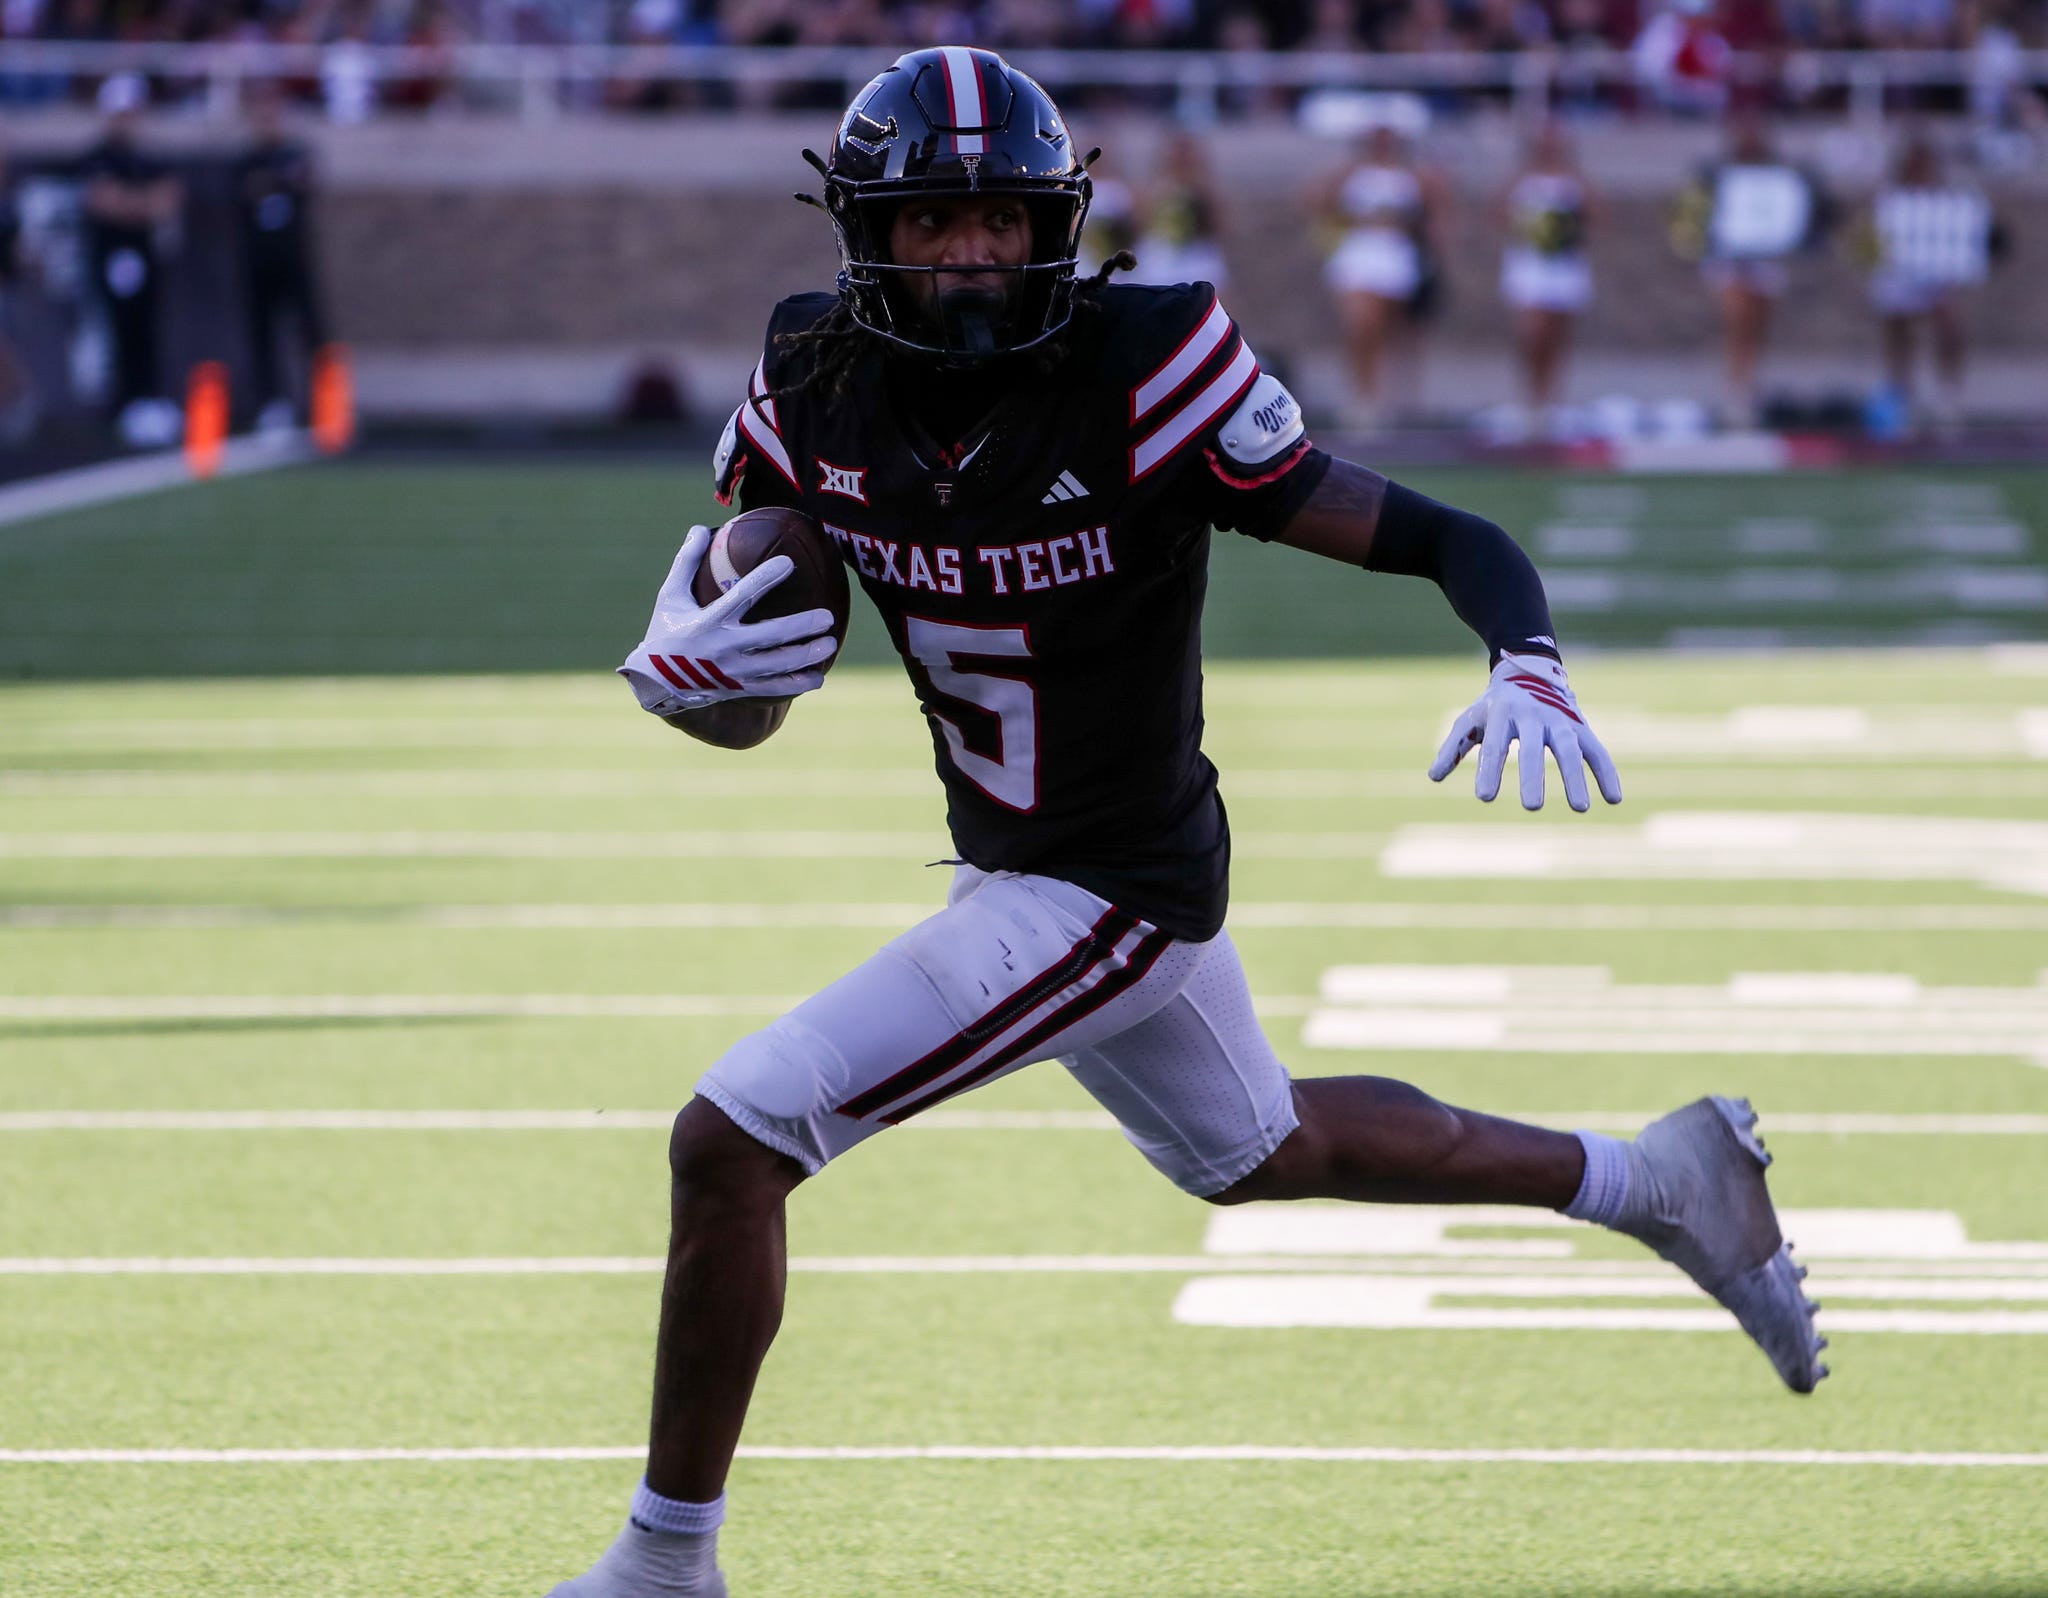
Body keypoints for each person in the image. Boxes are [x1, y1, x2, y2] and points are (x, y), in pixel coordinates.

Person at [553, 47, 1828, 1598]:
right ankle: (1658, 1176)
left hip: (1111, 889)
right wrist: (702, 679)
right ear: (867, 231)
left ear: (1055, 223)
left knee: (734, 1134)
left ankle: (660, 1567)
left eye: (1003, 221)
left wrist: (1530, 652)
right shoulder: (814, 375)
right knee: (1261, 1146)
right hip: (1025, 862)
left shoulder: (1146, 363)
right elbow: (756, 636)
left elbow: (1442, 531)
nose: (971, 254)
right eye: (936, 221)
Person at [1673, 115, 1823, 427]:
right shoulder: (1717, 173)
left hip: (1764, 260)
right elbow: (1693, 216)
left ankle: (1748, 387)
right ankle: (1735, 390)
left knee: (1758, 324)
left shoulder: (1779, 175)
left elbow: (1793, 214)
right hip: (1729, 259)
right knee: (1737, 318)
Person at [1310, 120, 1450, 429]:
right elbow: (1316, 200)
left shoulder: (1414, 175)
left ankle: (1389, 399)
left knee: (1392, 330)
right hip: (1359, 252)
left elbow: (1437, 213)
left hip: (1396, 254)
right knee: (1360, 324)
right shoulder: (1351, 173)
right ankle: (1362, 396)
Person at [1860, 130, 1998, 433]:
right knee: (1897, 326)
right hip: (1901, 279)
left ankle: (1948, 396)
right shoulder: (1892, 200)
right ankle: (1900, 394)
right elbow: (1874, 247)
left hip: (1936, 280)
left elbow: (1962, 246)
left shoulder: (1950, 201)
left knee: (1949, 322)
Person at [78, 72, 183, 447]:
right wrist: (141, 203)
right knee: (115, 330)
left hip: (146, 254)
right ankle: (123, 405)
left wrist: (130, 202)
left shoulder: (149, 156)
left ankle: (148, 399)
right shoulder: (98, 156)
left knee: (147, 327)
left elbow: (168, 200)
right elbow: (103, 201)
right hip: (112, 254)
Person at [235, 82, 328, 433]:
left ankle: (324, 404)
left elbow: (302, 180)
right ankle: (271, 403)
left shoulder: (295, 152)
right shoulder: (245, 159)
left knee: (311, 331)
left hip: (295, 258)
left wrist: (272, 180)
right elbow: (246, 189)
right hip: (259, 260)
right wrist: (277, 180)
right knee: (263, 333)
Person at [1497, 120, 1601, 434]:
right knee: (1532, 333)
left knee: (1557, 335)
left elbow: (1597, 216)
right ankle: (1530, 398)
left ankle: (1551, 402)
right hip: (1530, 265)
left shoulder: (1573, 180)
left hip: (1563, 264)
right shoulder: (1522, 179)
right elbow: (1499, 213)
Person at [1126, 128, 1230, 291]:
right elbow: (1138, 225)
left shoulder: (1205, 189)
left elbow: (1219, 227)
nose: (1181, 158)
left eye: (1186, 153)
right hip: (1159, 262)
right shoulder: (1151, 188)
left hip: (1196, 260)